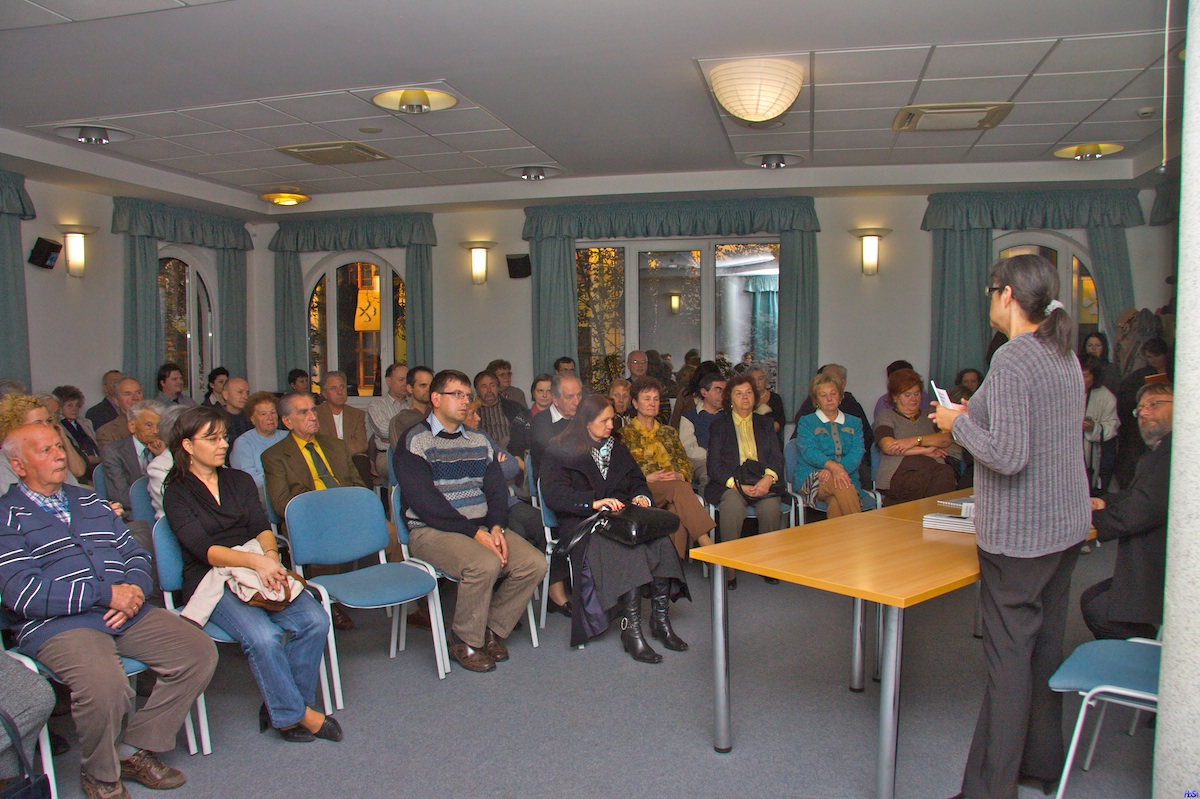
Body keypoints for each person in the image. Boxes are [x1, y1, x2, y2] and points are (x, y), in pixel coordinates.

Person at [932, 253, 1091, 799]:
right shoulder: (1062, 352)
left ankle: (990, 790)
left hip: (1022, 538)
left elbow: (1008, 455)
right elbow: (1041, 434)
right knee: (1044, 652)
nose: (989, 302)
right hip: (1064, 529)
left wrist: (956, 425)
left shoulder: (1013, 357)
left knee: (1008, 668)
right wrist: (973, 416)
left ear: (1006, 295)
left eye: (990, 292)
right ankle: (1040, 766)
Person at [0, 423, 217, 799]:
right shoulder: (6, 516)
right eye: (46, 450)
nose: (59, 455)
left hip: (125, 608)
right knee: (106, 686)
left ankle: (131, 749)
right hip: (59, 625)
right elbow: (23, 593)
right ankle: (100, 773)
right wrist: (106, 595)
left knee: (197, 651)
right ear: (19, 466)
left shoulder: (89, 501)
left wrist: (134, 588)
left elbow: (134, 552)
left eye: (59, 446)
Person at [163, 407, 340, 744]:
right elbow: (203, 550)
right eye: (212, 439)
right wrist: (255, 562)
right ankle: (298, 716)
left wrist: (271, 558)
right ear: (187, 445)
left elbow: (261, 527)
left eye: (223, 437)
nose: (223, 444)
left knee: (315, 620)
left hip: (258, 566)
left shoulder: (239, 480)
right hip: (211, 578)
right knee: (263, 637)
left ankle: (284, 705)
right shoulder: (177, 492)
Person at [395, 370, 546, 673]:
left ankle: (491, 628)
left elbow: (496, 491)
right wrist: (475, 533)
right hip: (432, 531)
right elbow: (426, 504)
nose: (465, 401)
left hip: (482, 527)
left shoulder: (479, 440)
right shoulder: (415, 441)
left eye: (467, 396)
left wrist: (496, 527)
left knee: (534, 563)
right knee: (484, 564)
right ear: (436, 399)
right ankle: (464, 638)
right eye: (457, 395)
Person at [540, 394, 689, 662]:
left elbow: (637, 481)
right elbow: (554, 494)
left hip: (620, 519)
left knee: (662, 543)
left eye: (612, 419)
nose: (611, 425)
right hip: (584, 523)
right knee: (630, 550)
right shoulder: (560, 448)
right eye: (604, 420)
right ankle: (631, 630)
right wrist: (592, 503)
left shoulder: (616, 447)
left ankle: (660, 620)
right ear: (586, 421)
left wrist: (641, 497)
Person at [261, 391, 367, 630]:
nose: (313, 416)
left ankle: (409, 608)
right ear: (287, 421)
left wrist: (354, 508)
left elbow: (357, 484)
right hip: (312, 519)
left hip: (348, 511)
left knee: (391, 534)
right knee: (325, 538)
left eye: (313, 410)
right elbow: (281, 503)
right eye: (304, 412)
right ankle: (326, 600)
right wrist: (323, 509)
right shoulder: (274, 456)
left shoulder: (335, 446)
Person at [1080, 383, 1171, 641]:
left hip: (1163, 569)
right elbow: (1140, 495)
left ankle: (1156, 654)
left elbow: (1146, 507)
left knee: (1098, 608)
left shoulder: (1175, 452)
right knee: (1093, 599)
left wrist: (1092, 519)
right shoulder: (1162, 451)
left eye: (1154, 404)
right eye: (1140, 409)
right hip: (1155, 562)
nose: (1144, 413)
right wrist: (1106, 502)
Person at [704, 374, 785, 588]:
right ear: (730, 399)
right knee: (732, 505)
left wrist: (768, 479)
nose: (745, 397)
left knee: (770, 507)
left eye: (749, 392)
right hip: (731, 483)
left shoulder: (766, 424)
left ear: (755, 397)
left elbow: (777, 457)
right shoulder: (719, 426)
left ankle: (768, 565)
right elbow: (714, 465)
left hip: (762, 482)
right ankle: (729, 568)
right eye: (738, 393)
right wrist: (736, 485)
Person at [620, 377, 715, 557]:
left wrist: (680, 475)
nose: (652, 403)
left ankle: (672, 567)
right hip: (644, 490)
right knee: (680, 489)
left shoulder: (669, 432)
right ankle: (707, 544)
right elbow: (623, 472)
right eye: (647, 398)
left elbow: (685, 463)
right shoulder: (625, 435)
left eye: (656, 399)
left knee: (675, 510)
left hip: (673, 490)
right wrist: (647, 478)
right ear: (635, 403)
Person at [462, 399, 543, 549]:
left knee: (539, 521)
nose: (478, 418)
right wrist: (494, 465)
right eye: (472, 414)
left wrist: (491, 467)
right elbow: (472, 477)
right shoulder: (456, 443)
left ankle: (543, 563)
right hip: (483, 506)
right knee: (518, 531)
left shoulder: (482, 435)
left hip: (507, 500)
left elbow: (512, 465)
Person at [788, 373, 872, 518]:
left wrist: (837, 470)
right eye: (823, 395)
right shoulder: (806, 422)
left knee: (836, 502)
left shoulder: (854, 422)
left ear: (841, 396)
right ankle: (859, 529)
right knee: (842, 484)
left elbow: (857, 452)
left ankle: (840, 534)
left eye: (833, 394)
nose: (829, 398)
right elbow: (809, 451)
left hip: (846, 476)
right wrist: (833, 467)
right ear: (816, 400)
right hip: (813, 478)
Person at [873, 368, 959, 506]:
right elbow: (888, 446)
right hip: (899, 471)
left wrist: (913, 441)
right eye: (907, 395)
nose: (913, 399)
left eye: (917, 393)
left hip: (935, 468)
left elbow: (946, 439)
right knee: (940, 476)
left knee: (944, 474)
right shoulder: (887, 416)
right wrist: (925, 450)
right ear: (895, 397)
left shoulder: (930, 414)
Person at [100, 400, 167, 553]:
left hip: (163, 513)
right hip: (134, 517)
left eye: (159, 426)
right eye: (149, 425)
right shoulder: (114, 452)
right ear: (132, 426)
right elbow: (121, 497)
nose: (156, 431)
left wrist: (162, 456)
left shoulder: (165, 448)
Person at [0, 393, 88, 494]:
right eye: (38, 423)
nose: (48, 427)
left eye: (49, 421)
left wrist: (63, 439)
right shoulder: (3, 463)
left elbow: (75, 485)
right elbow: (14, 501)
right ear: (16, 428)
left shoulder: (53, 453)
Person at [1115, 337, 1171, 490]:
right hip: (1143, 432)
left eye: (1156, 356)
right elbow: (1125, 398)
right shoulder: (1141, 375)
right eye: (1149, 357)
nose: (1153, 360)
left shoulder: (1176, 372)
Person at [314, 371, 370, 485]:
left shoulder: (357, 414)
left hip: (352, 459)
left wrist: (340, 454)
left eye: (342, 387)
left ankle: (363, 496)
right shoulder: (315, 414)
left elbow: (361, 444)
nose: (340, 392)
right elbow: (318, 444)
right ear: (324, 394)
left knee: (362, 462)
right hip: (326, 460)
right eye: (334, 388)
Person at [229, 392, 288, 491]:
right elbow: (249, 478)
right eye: (263, 414)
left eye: (273, 413)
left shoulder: (287, 437)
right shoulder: (243, 443)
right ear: (252, 419)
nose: (270, 418)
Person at [529, 374, 581, 481]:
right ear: (555, 400)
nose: (577, 402)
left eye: (579, 395)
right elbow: (557, 460)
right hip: (553, 480)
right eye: (570, 397)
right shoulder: (541, 422)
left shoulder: (584, 418)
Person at [679, 371, 725, 489]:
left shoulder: (728, 416)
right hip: (700, 460)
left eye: (725, 391)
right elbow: (688, 447)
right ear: (704, 392)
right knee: (708, 475)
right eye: (718, 390)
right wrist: (713, 456)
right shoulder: (690, 416)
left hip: (727, 460)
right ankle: (705, 500)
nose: (723, 395)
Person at [1081, 356, 1119, 495]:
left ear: (1094, 377)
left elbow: (1112, 426)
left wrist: (1094, 428)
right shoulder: (1064, 393)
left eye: (1085, 376)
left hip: (1091, 456)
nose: (1080, 379)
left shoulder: (1106, 398)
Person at [367, 363, 408, 477]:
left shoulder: (413, 404)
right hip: (386, 455)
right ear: (389, 381)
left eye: (407, 380)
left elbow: (423, 430)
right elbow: (384, 431)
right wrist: (411, 433)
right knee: (404, 470)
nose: (405, 384)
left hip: (412, 453)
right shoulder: (377, 405)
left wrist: (393, 436)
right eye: (401, 380)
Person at [508, 373, 552, 468]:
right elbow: (515, 451)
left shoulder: (561, 417)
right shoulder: (522, 418)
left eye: (549, 391)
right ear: (533, 393)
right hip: (529, 469)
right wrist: (529, 472)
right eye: (540, 391)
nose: (544, 395)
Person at [55, 384, 102, 473]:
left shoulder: (86, 423)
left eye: (77, 405)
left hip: (98, 464)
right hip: (79, 468)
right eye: (70, 405)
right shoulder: (58, 427)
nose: (74, 409)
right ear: (59, 407)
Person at [474, 370, 523, 450]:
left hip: (510, 451)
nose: (489, 390)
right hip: (482, 451)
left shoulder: (514, 407)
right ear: (477, 391)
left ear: (498, 388)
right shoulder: (472, 411)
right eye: (484, 386)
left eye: (492, 385)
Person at [388, 366, 434, 451]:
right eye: (423, 385)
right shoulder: (399, 421)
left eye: (431, 386)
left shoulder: (439, 415)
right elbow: (401, 453)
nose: (428, 389)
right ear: (410, 388)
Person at [94, 378, 145, 450]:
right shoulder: (106, 432)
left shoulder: (158, 424)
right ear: (116, 400)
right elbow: (111, 456)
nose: (135, 398)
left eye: (138, 393)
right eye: (128, 394)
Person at [749, 365, 786, 437]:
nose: (757, 382)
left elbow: (779, 422)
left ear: (766, 380)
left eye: (760, 379)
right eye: (753, 379)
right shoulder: (745, 398)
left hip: (770, 437)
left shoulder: (775, 398)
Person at [218, 377, 253, 444]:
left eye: (247, 393)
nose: (245, 397)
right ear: (226, 395)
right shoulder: (217, 419)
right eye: (240, 392)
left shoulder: (252, 417)